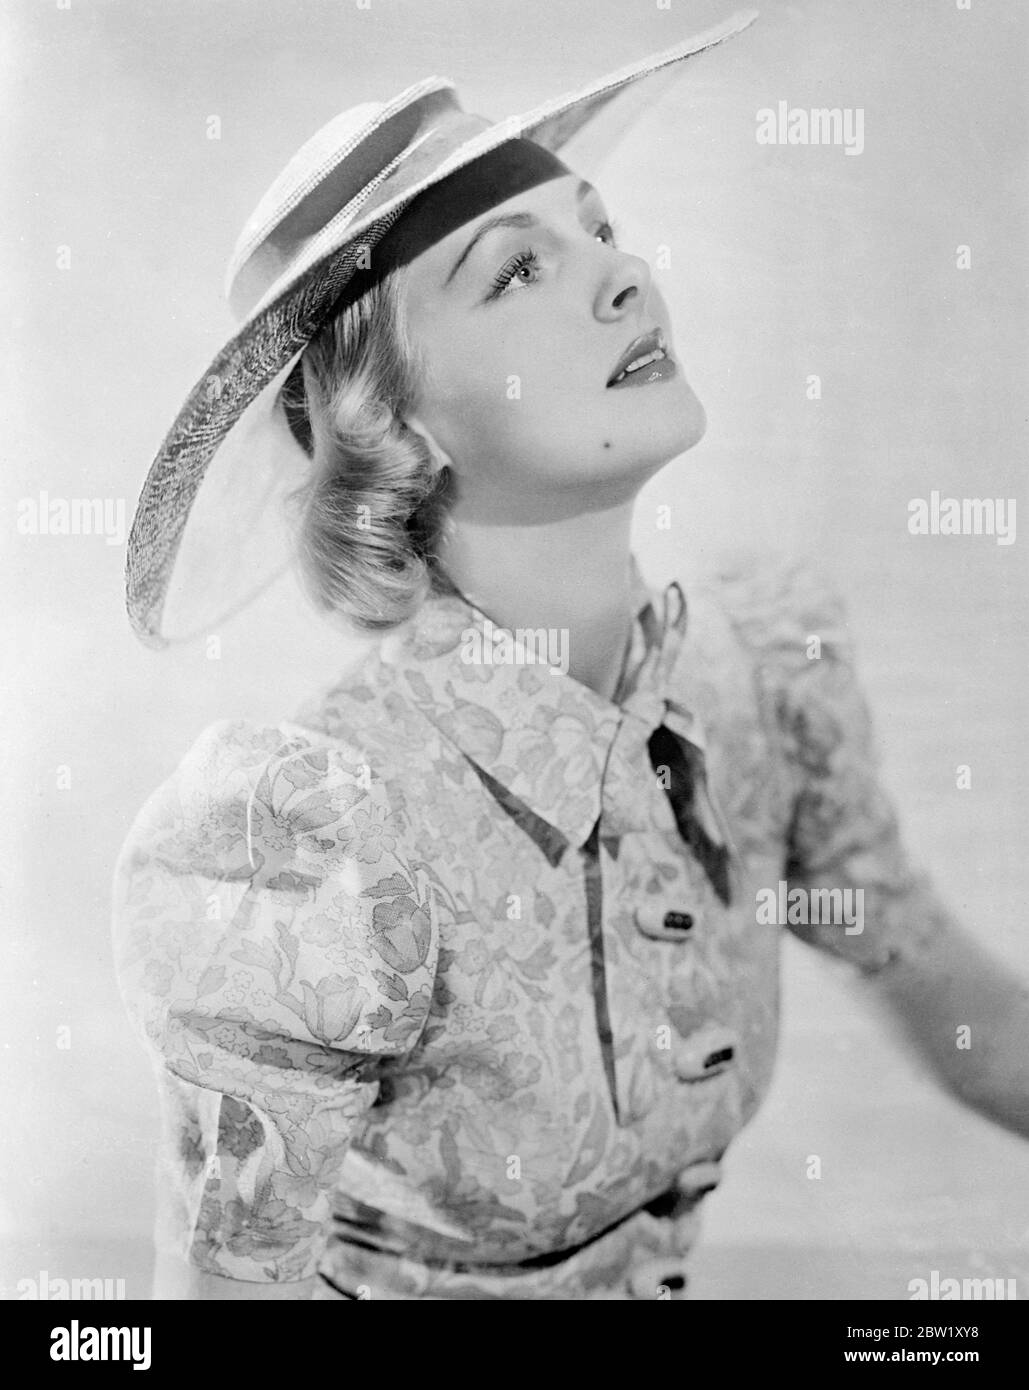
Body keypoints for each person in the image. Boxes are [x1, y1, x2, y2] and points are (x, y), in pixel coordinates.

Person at [111, 21, 1029, 1301]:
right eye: (515, 273)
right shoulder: (312, 838)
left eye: (600, 230)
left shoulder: (758, 679)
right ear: (398, 421)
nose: (624, 278)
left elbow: (972, 1023)